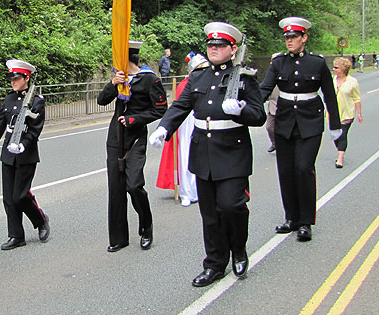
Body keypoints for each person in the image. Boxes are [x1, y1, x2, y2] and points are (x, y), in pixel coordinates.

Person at [150, 22, 265, 287]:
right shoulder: (199, 77)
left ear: (233, 49)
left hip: (233, 151)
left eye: (220, 45)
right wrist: (164, 128)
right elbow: (180, 105)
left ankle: (238, 248)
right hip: (203, 151)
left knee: (232, 206)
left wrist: (241, 110)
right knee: (210, 213)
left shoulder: (245, 78)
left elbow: (259, 116)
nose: (214, 49)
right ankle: (214, 264)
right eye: (210, 45)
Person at [260, 17, 342, 242]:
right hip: (285, 121)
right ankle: (292, 218)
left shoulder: (317, 63)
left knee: (303, 168)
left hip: (310, 121)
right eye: (287, 37)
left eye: (294, 37)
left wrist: (335, 125)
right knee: (286, 171)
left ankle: (306, 221)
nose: (289, 41)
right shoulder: (278, 62)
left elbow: (330, 96)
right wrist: (246, 105)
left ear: (304, 38)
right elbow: (264, 89)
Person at [97, 40, 167, 252]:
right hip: (115, 139)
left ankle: (146, 226)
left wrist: (135, 119)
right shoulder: (120, 79)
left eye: (118, 60)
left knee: (134, 185)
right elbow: (101, 100)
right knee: (116, 189)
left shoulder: (150, 79)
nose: (114, 65)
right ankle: (119, 238)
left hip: (135, 139)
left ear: (128, 59)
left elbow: (160, 109)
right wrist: (112, 83)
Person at [0, 59, 50, 250]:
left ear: (27, 78)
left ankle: (40, 220)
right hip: (8, 155)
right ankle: (16, 235)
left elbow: (35, 129)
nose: (13, 82)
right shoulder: (9, 99)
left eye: (16, 78)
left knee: (20, 196)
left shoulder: (36, 101)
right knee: (8, 198)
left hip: (26, 155)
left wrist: (24, 145)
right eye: (11, 78)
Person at [156, 53, 209, 206]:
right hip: (187, 123)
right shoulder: (184, 85)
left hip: (204, 122)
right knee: (186, 157)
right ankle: (187, 192)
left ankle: (201, 190)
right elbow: (179, 107)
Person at [331, 57, 363, 168]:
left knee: (342, 134)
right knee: (335, 136)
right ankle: (340, 149)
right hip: (333, 113)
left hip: (347, 113)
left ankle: (340, 158)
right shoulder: (332, 80)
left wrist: (359, 113)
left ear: (343, 69)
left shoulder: (352, 82)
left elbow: (356, 98)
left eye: (336, 67)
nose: (334, 69)